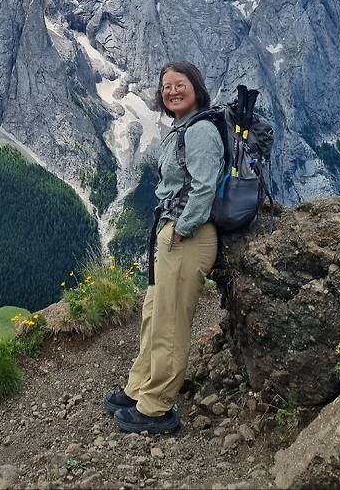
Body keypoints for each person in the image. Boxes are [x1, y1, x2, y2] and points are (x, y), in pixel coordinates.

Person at [104, 61, 224, 434]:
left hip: (190, 237)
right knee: (154, 315)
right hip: (172, 234)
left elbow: (204, 186)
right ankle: (139, 387)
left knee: (170, 324)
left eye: (180, 84)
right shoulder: (180, 128)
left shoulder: (202, 129)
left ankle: (157, 409)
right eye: (166, 85)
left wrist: (182, 229)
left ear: (196, 87)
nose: (172, 90)